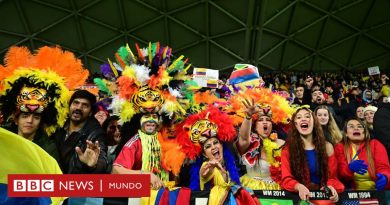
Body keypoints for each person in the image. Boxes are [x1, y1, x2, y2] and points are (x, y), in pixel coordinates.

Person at [0, 46, 90, 160]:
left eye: (36, 117)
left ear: (41, 122)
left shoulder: (49, 148)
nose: (30, 121)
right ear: (16, 119)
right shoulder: (2, 137)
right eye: (25, 115)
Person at [281, 106, 344, 202]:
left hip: (322, 199)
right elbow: (286, 179)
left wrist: (331, 187)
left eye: (307, 116)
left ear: (314, 122)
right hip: (299, 199)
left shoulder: (327, 147)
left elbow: (332, 177)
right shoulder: (287, 150)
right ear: (295, 124)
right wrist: (298, 186)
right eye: (298, 117)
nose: (303, 119)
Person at [52, 90, 108, 174]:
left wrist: (94, 165)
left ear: (91, 112)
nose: (78, 108)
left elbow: (102, 160)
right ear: (69, 106)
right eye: (76, 103)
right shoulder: (57, 127)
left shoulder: (96, 134)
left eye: (85, 105)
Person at [236, 100, 287, 190]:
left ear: (271, 125)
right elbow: (243, 138)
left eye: (268, 120)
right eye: (260, 120)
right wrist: (248, 117)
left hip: (275, 191)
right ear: (255, 126)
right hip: (252, 189)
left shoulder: (281, 144)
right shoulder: (249, 143)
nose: (265, 122)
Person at [335, 118, 390, 190]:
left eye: (360, 126)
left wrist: (385, 177)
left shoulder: (375, 144)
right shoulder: (340, 147)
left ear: (365, 132)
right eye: (351, 126)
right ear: (346, 133)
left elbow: (383, 167)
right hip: (351, 194)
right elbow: (340, 173)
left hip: (376, 191)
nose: (356, 128)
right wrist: (349, 169)